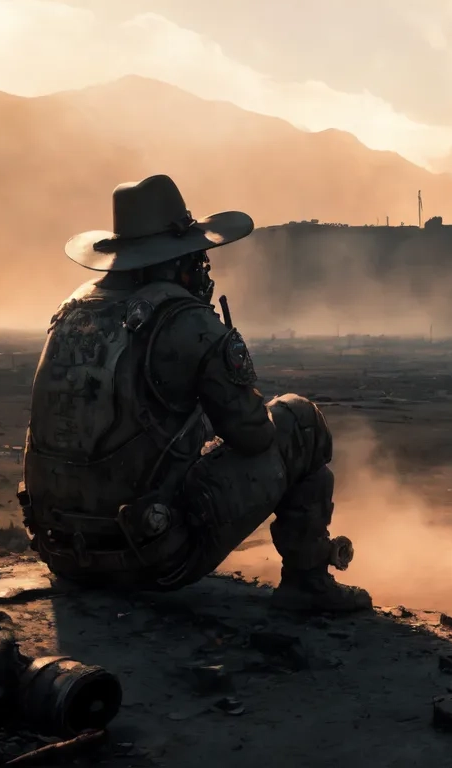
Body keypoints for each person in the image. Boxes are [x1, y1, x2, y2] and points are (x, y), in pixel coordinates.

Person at [20, 175, 370, 613]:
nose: (202, 266)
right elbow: (254, 437)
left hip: (63, 553)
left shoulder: (72, 309)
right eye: (196, 256)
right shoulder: (183, 319)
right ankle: (309, 580)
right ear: (175, 259)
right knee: (300, 422)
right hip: (150, 556)